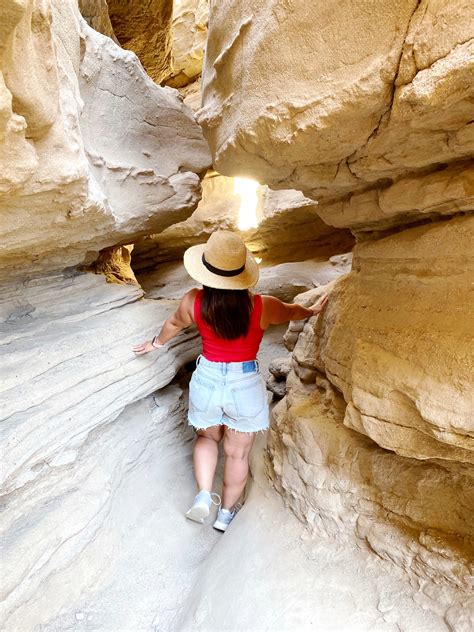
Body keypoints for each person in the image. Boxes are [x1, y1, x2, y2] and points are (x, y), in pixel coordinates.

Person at [132, 230, 327, 532]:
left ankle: (201, 497)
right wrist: (312, 310)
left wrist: (155, 344)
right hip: (244, 383)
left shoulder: (194, 301)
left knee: (207, 438)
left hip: (208, 377)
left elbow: (173, 323)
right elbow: (293, 312)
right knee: (238, 453)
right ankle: (225, 514)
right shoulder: (263, 306)